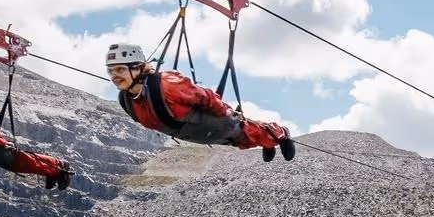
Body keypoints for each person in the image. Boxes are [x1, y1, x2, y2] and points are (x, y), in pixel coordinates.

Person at [104, 43, 294, 159]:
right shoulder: (127, 100)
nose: (114, 76)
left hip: (215, 124)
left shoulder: (167, 85)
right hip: (198, 134)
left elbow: (206, 96)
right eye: (111, 71)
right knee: (238, 142)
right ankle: (267, 143)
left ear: (138, 68)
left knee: (246, 132)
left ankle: (279, 133)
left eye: (120, 70)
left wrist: (225, 113)